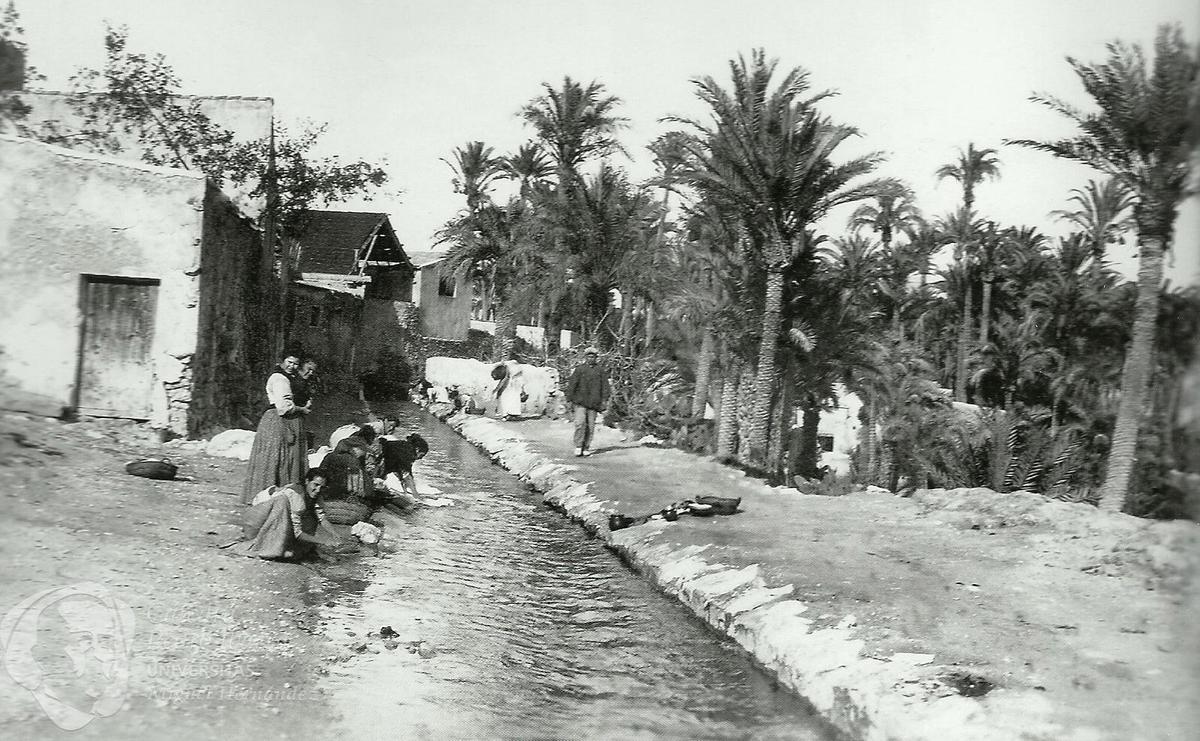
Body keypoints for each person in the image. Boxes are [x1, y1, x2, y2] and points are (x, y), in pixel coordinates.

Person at [242, 353, 311, 504]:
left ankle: (280, 497)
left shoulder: (290, 378)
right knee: (276, 457)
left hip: (284, 421)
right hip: (277, 422)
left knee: (283, 458)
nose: (292, 366)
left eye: (295, 364)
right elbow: (284, 407)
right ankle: (267, 497)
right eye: (289, 362)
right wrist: (302, 409)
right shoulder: (280, 379)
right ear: (282, 361)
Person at [236, 469, 337, 560]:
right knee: (283, 503)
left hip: (272, 522)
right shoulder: (296, 495)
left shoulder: (315, 497)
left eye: (322, 487)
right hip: (255, 522)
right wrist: (323, 541)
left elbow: (322, 518)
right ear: (307, 481)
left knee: (310, 519)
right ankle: (269, 546)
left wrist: (336, 535)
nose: (318, 490)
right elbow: (298, 533)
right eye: (315, 485)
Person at [565, 347, 609, 457]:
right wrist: (569, 399)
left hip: (594, 403)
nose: (591, 358)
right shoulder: (580, 369)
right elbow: (572, 384)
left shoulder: (600, 371)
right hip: (580, 401)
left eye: (593, 356)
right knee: (580, 423)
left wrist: (604, 400)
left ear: (596, 358)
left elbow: (605, 387)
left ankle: (586, 446)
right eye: (589, 356)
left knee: (590, 426)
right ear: (585, 357)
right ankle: (578, 446)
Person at [380, 433, 429, 498]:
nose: (421, 458)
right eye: (421, 455)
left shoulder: (404, 446)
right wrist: (416, 495)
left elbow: (400, 471)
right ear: (417, 450)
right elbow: (407, 475)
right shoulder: (408, 452)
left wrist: (407, 489)